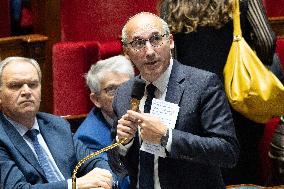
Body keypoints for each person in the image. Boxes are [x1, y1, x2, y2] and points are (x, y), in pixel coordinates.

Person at [158, 0, 283, 184]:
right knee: (245, 164)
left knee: (205, 166)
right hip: (238, 96)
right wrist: (253, 67)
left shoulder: (170, 4)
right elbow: (265, 40)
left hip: (195, 98)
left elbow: (169, 55)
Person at [113, 12, 239, 189]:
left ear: (170, 41)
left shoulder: (203, 85)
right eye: (138, 43)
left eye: (156, 39)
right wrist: (124, 144)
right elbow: (118, 165)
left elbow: (227, 152)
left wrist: (167, 137)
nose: (149, 51)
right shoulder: (123, 94)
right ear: (126, 52)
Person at [0, 57, 114, 189]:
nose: (27, 92)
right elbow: (16, 188)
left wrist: (102, 179)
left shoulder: (56, 125)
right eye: (15, 85)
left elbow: (94, 161)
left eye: (33, 85)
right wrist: (75, 185)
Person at [74, 55, 135, 188]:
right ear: (96, 100)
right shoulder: (87, 138)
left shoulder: (144, 112)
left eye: (127, 86)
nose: (122, 94)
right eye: (112, 89)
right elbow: (117, 182)